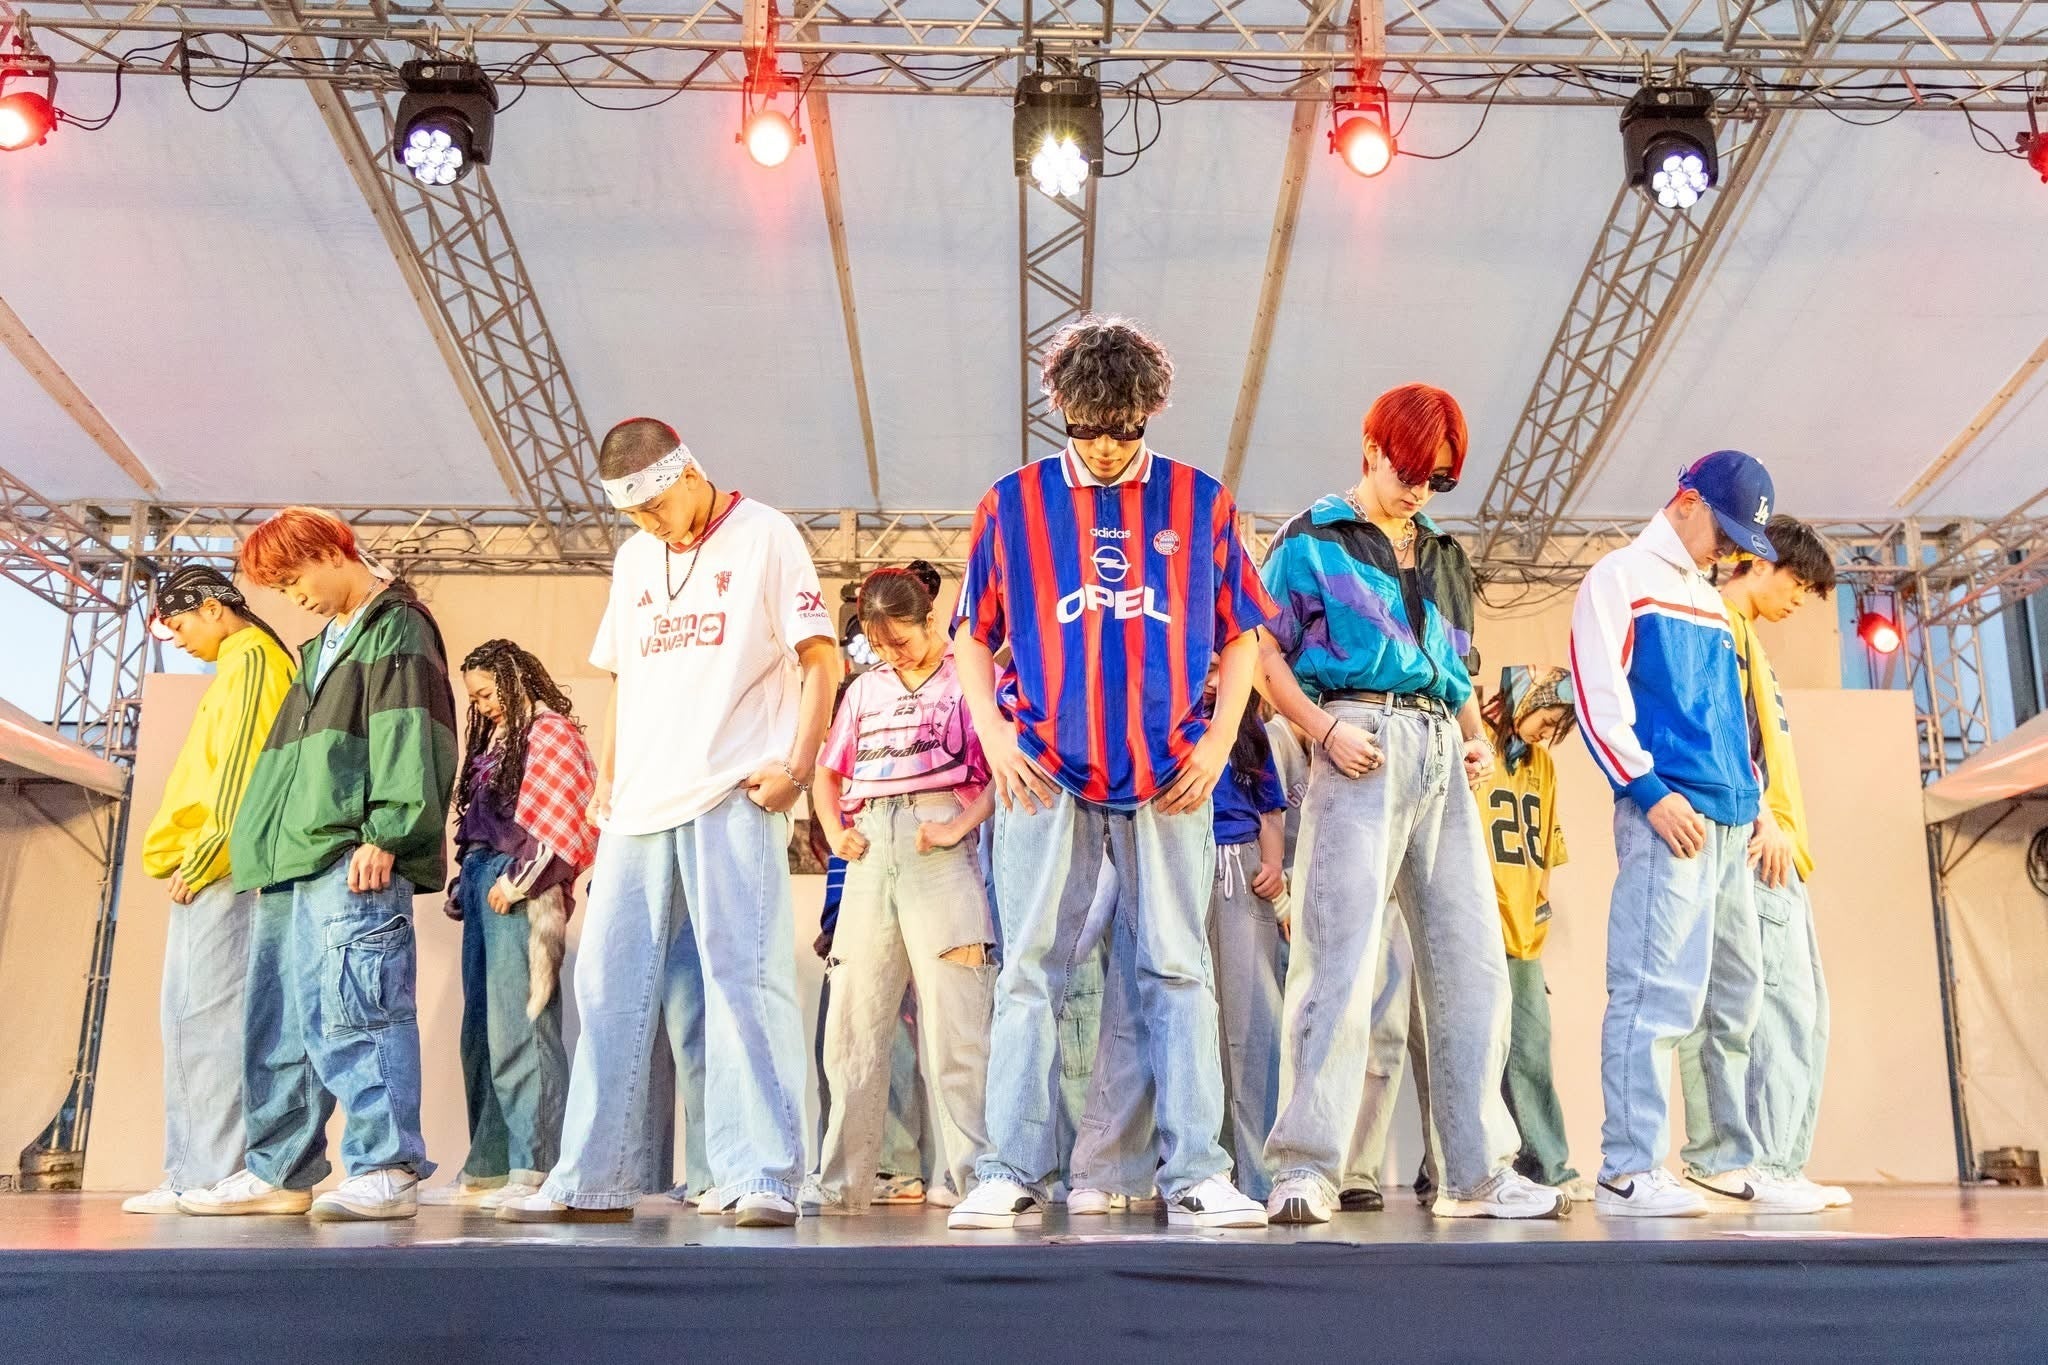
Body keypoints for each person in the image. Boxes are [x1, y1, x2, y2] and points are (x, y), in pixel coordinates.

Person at [947, 315, 1275, 1231]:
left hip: (1169, 770)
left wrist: (1218, 742)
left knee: (1179, 968)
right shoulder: (1011, 502)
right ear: (1061, 408)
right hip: (1044, 768)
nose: (1103, 447)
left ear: (1149, 413)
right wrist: (993, 735)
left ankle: (1198, 1171)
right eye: (1087, 428)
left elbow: (1245, 635)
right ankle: (1009, 1167)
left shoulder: (1200, 500)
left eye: (1123, 430)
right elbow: (971, 634)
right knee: (1029, 972)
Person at [497, 419, 837, 1229]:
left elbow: (822, 657)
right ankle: (594, 1175)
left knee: (745, 978)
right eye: (634, 514)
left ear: (688, 472)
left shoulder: (766, 534)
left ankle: (765, 1173)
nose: (649, 524)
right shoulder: (634, 559)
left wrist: (797, 769)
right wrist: (608, 777)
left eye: (655, 506)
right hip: (639, 804)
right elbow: (626, 675)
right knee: (605, 983)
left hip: (730, 787)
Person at [1257, 382, 1564, 1223]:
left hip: (1440, 749)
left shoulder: (1445, 555)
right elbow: (1263, 653)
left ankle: (1477, 1169)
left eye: (1440, 478)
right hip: (1358, 735)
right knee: (1338, 961)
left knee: (1473, 965)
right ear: (1371, 447)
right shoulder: (1311, 538)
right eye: (1410, 470)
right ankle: (1306, 1166)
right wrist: (1323, 729)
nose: (1422, 489)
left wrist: (1476, 735)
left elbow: (1457, 667)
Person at [178, 508, 457, 1221]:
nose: (292, 595)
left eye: (293, 576)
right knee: (282, 1023)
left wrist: (390, 829)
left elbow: (410, 730)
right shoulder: (317, 648)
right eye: (278, 586)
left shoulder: (396, 624)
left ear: (334, 552)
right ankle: (280, 1170)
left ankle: (387, 1164)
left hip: (350, 849)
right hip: (293, 857)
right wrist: (260, 847)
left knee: (359, 1008)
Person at [1570, 450, 1824, 1217]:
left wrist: (1755, 809)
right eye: (1727, 532)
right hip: (1672, 818)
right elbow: (1596, 696)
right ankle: (1627, 1165)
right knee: (1653, 991)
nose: (1731, 551)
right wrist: (1648, 791)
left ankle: (1721, 1156)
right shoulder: (1618, 578)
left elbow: (1727, 725)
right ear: (1686, 501)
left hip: (1731, 823)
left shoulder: (1712, 603)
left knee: (1733, 998)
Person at [804, 565, 997, 1214]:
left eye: (902, 641)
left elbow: (1004, 765)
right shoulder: (865, 689)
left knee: (957, 1026)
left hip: (938, 843)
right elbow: (827, 774)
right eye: (879, 645)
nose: (892, 654)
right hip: (870, 847)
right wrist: (836, 831)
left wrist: (959, 825)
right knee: (851, 1026)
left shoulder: (968, 677)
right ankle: (842, 1185)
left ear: (929, 620)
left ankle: (976, 1181)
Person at [1688, 515, 1849, 1209]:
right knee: (1777, 1009)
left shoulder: (1747, 637)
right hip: (1762, 846)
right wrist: (1764, 817)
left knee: (1804, 1011)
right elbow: (1726, 738)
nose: (1799, 602)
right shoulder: (1720, 623)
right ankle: (1768, 1165)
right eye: (1798, 584)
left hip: (1782, 848)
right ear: (1759, 563)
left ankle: (1781, 1161)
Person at [124, 567, 296, 1215]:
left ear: (214, 608)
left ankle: (203, 1173)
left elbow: (243, 769)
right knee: (199, 1019)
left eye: (180, 623)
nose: (177, 638)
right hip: (221, 863)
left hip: (221, 866)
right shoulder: (243, 661)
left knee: (205, 1020)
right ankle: (196, 1170)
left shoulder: (251, 659)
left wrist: (205, 854)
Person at [420, 640, 598, 1211]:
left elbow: (566, 818)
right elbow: (480, 820)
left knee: (521, 1025)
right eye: (475, 697)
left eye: (489, 692)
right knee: (481, 1030)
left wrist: (520, 880)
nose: (485, 704)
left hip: (518, 882)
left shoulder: (550, 733)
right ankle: (491, 1165)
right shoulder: (497, 740)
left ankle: (536, 1161)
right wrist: (467, 881)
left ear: (517, 679)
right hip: (485, 880)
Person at [1478, 665, 1584, 1195]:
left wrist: (1538, 908)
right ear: (1527, 697)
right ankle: (1453, 1170)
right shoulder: (1475, 743)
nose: (1548, 732)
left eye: (1557, 727)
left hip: (1521, 933)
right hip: (1477, 923)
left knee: (1529, 1051)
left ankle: (1547, 1167)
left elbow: (1546, 848)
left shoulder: (1542, 765)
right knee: (1474, 1058)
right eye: (1548, 718)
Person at [1205, 695, 1291, 1202]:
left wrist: (1274, 865)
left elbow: (1271, 808)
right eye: (1207, 665)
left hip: (1242, 865)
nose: (1213, 677)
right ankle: (1206, 1166)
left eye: (1223, 665)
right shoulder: (1167, 714)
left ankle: (1262, 1172)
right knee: (1196, 1023)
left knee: (1255, 1020)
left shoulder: (1249, 730)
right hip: (1184, 858)